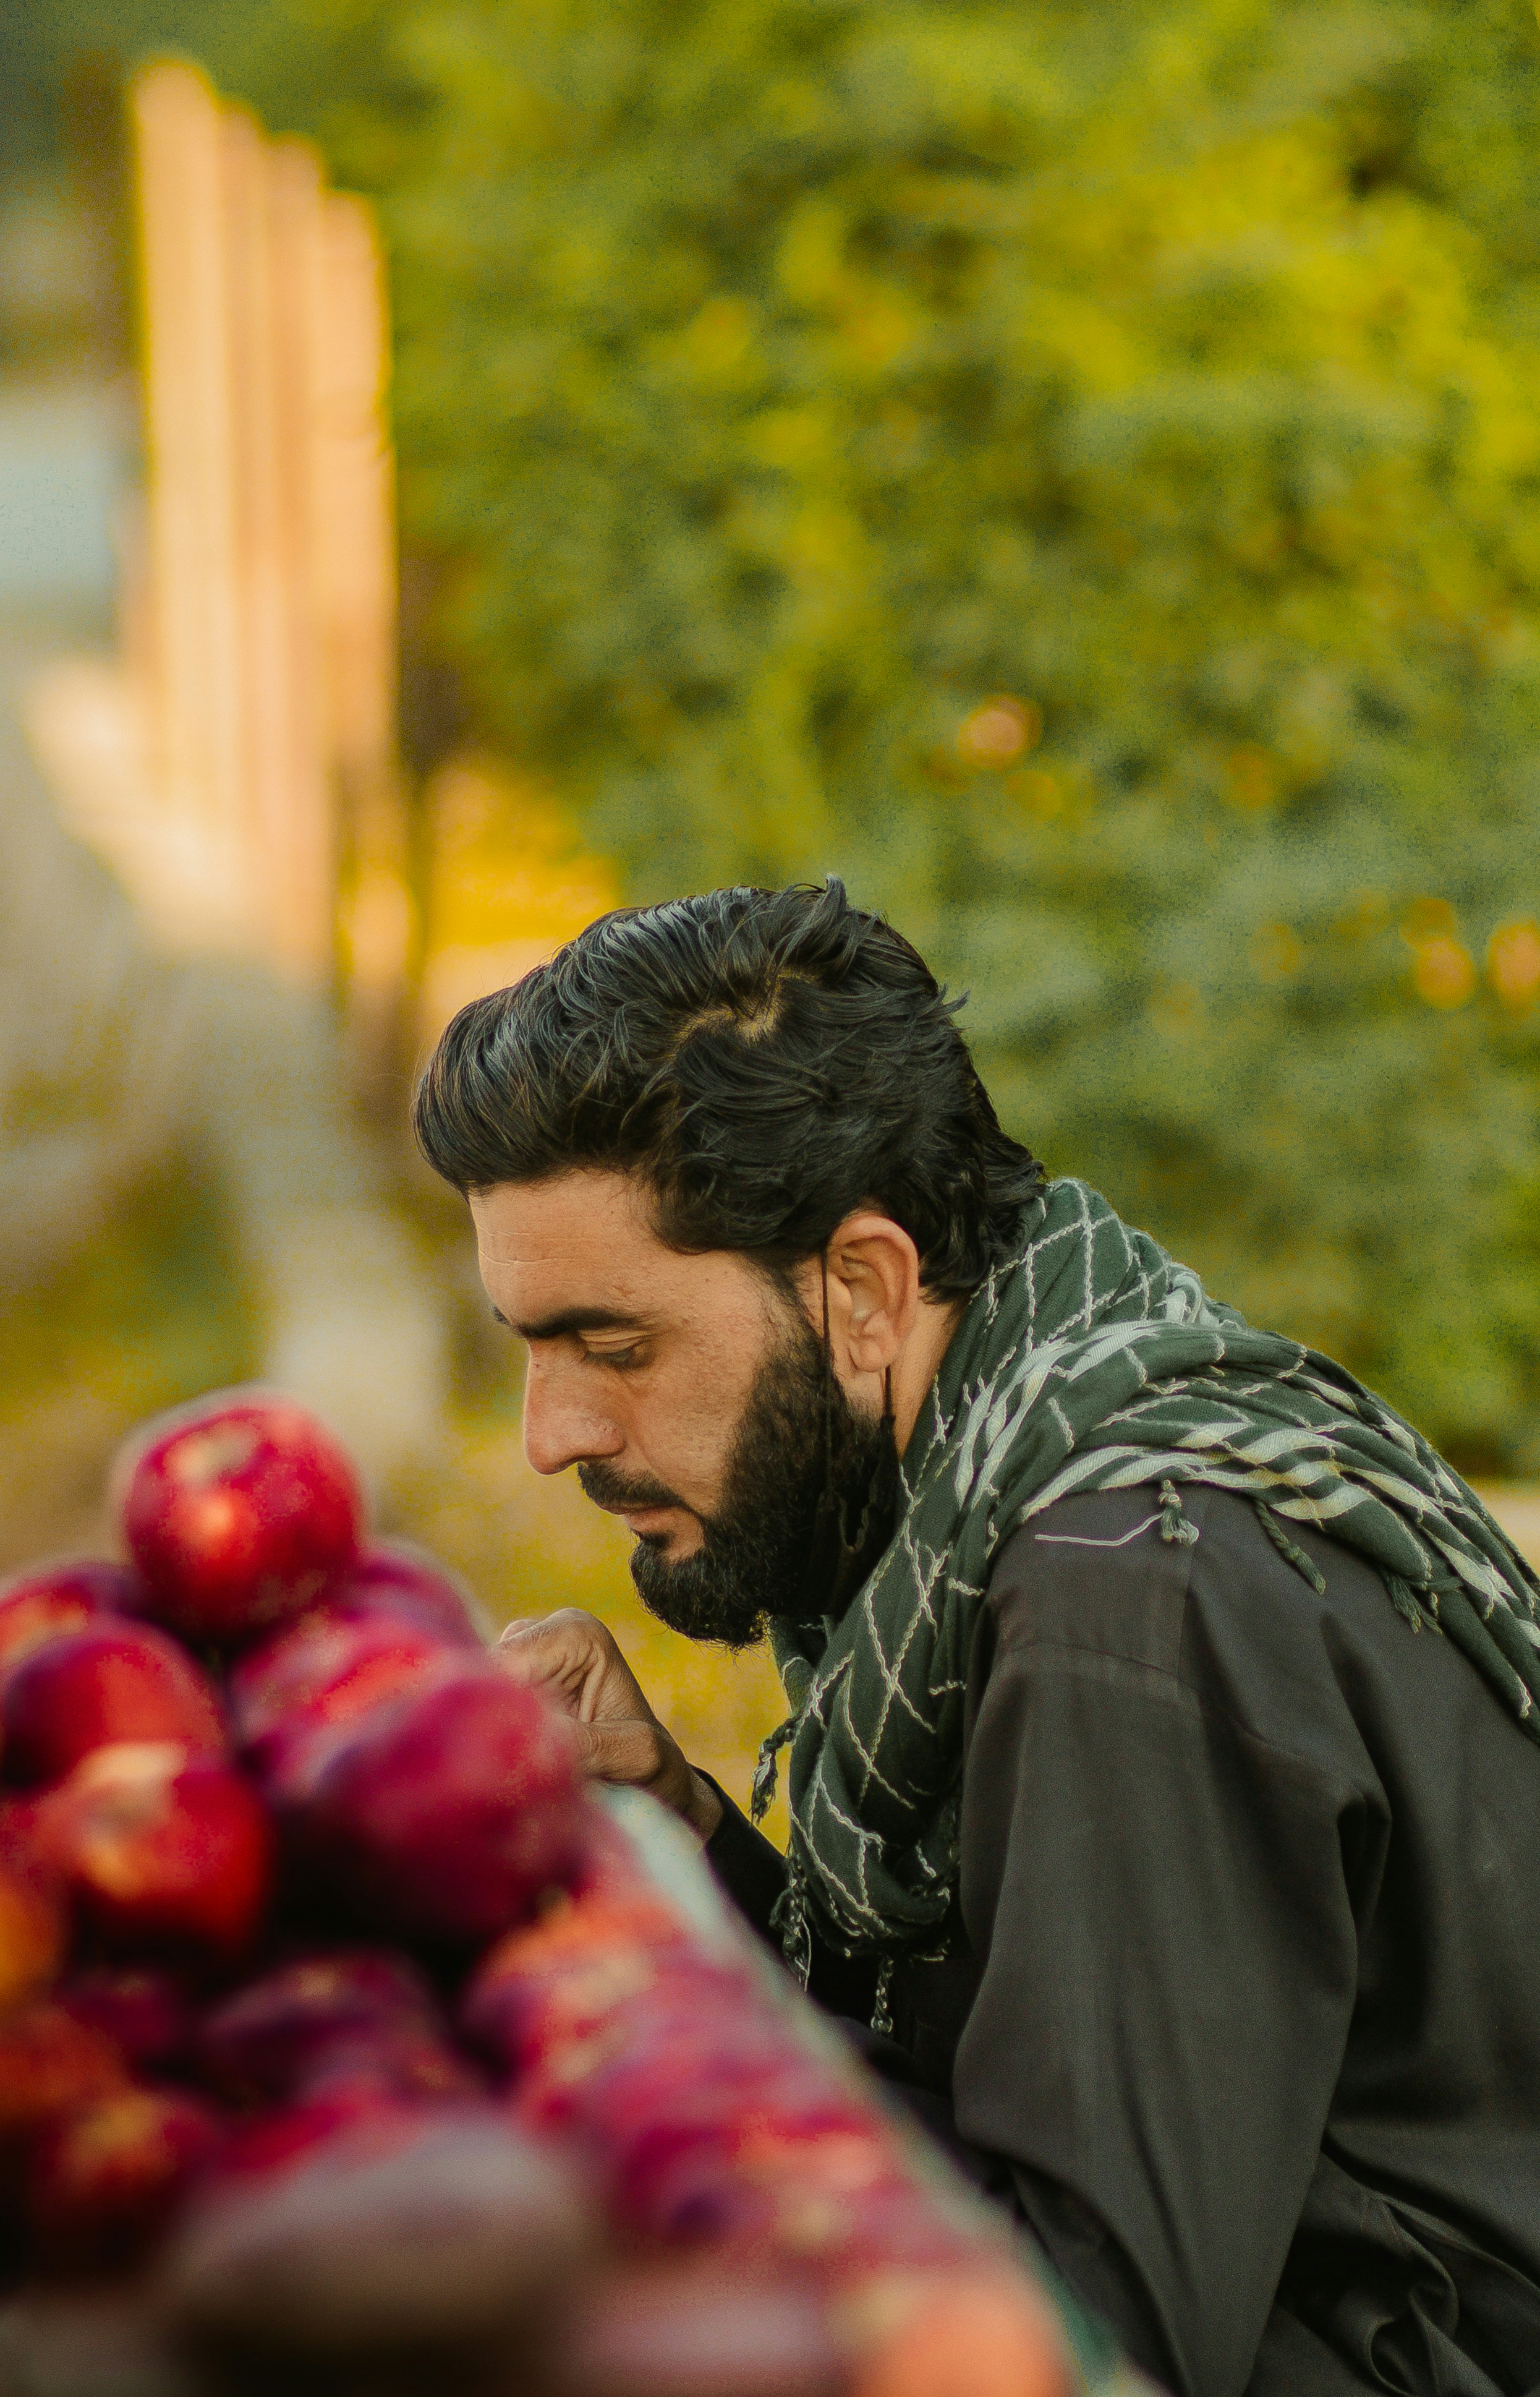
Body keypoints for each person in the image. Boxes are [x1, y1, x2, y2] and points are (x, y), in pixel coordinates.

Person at [414, 880, 1540, 2397]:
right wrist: (679, 1827)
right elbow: (985, 2083)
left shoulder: (1132, 1601)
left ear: (865, 1289)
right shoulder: (1015, 1446)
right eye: (528, 1347)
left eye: (615, 1345)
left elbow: (1071, 2344)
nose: (553, 1434)